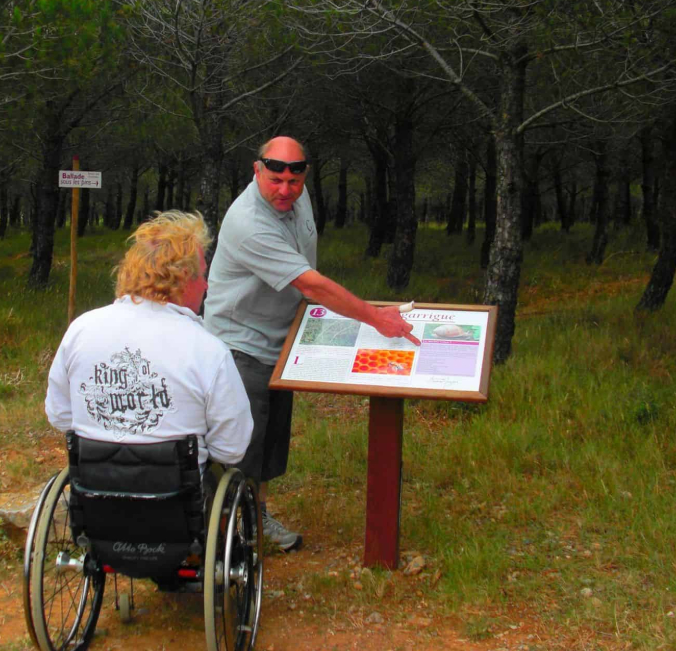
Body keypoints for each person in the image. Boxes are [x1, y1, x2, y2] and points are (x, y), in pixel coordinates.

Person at [204, 136, 418, 551]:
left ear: (303, 175)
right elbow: (310, 283)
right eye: (275, 180)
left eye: (293, 180)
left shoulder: (297, 200)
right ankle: (227, 535)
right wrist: (376, 317)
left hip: (281, 343)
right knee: (239, 449)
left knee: (267, 447)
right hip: (239, 346)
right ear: (256, 171)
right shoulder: (248, 222)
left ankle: (256, 521)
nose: (284, 190)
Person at [46, 210, 253, 472]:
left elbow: (60, 415)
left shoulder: (81, 330)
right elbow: (231, 448)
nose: (206, 286)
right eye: (202, 275)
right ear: (182, 279)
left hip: (94, 492)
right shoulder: (207, 349)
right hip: (175, 501)